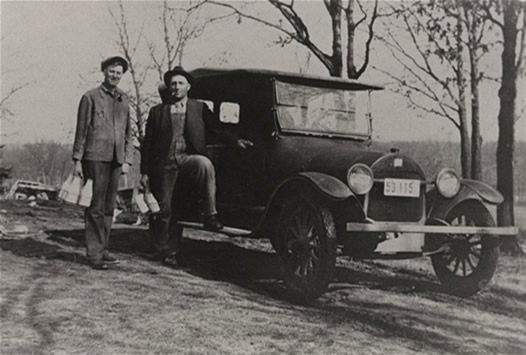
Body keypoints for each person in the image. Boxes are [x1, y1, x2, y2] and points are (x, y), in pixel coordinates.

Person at [140, 66, 252, 265]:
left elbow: (217, 129)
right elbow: (148, 143)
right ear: (169, 87)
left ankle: (211, 215)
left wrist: (235, 141)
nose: (176, 87)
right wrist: (145, 172)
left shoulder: (199, 108)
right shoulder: (157, 112)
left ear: (188, 86)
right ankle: (165, 251)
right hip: (164, 163)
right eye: (173, 84)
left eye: (180, 83)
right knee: (164, 209)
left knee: (205, 164)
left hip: (188, 158)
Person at [72, 56, 134, 270]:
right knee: (96, 206)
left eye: (118, 72)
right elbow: (81, 130)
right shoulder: (90, 97)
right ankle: (94, 254)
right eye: (111, 71)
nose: (115, 75)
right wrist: (77, 160)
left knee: (109, 207)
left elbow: (128, 133)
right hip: (95, 157)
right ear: (104, 72)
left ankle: (103, 248)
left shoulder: (124, 99)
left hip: (117, 160)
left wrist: (127, 159)